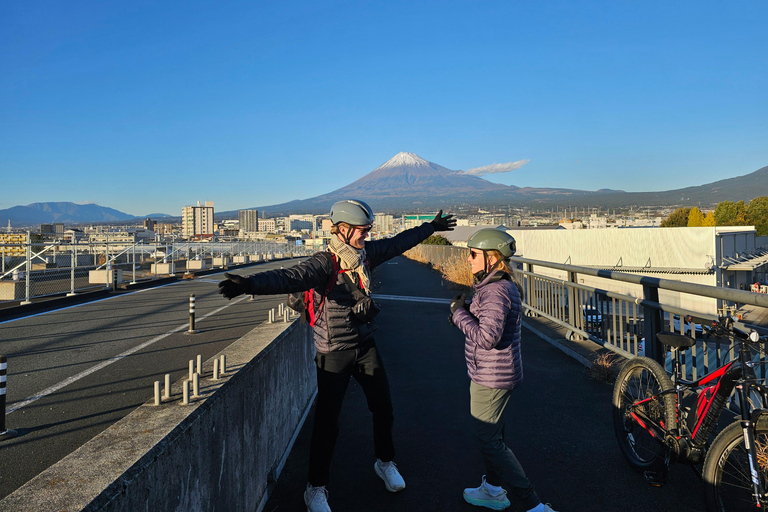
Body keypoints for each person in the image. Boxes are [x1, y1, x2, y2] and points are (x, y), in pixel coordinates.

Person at [218, 199, 456, 512]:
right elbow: (290, 277)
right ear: (342, 230)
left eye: (369, 230)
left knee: (383, 408)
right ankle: (315, 489)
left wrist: (430, 228)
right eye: (362, 230)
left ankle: (385, 462)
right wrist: (250, 284)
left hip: (364, 344)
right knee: (328, 423)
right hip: (333, 352)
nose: (367, 235)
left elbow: (398, 243)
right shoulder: (325, 263)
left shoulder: (365, 256)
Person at [448, 228, 557, 512]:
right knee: (492, 436)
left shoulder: (497, 289)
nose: (468, 259)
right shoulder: (496, 286)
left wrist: (458, 314)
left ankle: (534, 505)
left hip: (492, 377)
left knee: (489, 439)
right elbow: (490, 324)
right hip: (493, 372)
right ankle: (493, 489)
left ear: (492, 258)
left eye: (473, 254)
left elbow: (487, 338)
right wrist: (468, 311)